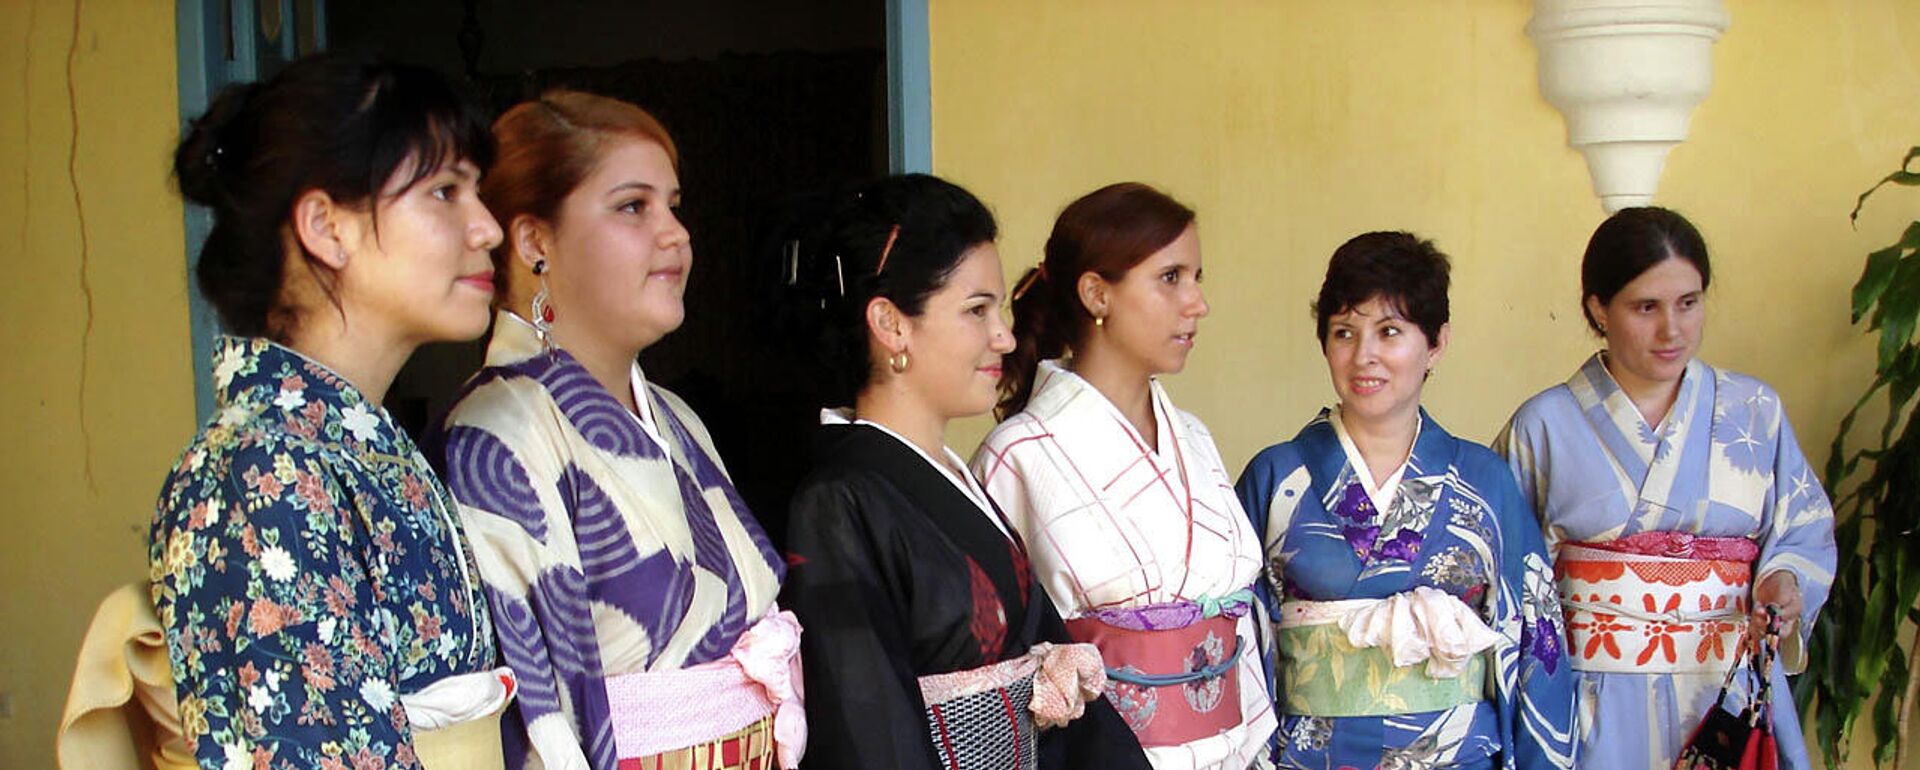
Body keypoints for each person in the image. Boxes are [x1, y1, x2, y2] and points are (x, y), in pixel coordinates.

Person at [149, 53, 513, 769]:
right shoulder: (258, 474)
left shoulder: (356, 449)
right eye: (444, 192)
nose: (488, 228)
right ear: (326, 227)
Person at [435, 90, 798, 770]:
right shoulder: (498, 435)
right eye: (634, 206)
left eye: (674, 205)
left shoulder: (673, 414)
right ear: (534, 240)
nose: (676, 233)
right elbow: (536, 711)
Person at [779, 174, 1151, 770]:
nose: (1004, 334)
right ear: (891, 324)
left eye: (998, 308)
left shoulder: (947, 477)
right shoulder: (838, 500)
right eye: (977, 309)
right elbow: (870, 733)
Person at [1497, 207, 1837, 770]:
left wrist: (1782, 581)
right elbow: (1507, 572)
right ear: (1597, 309)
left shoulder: (1754, 412)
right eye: (1645, 307)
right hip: (1590, 701)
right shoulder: (1543, 425)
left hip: (1725, 694)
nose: (1672, 330)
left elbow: (1802, 528)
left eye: (1689, 302)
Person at [1236, 232, 1575, 770]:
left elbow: (1536, 635)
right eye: (1344, 332)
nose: (1364, 356)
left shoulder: (1484, 481)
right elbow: (1240, 644)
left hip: (1458, 755)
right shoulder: (1277, 476)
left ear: (1436, 342)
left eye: (1389, 331)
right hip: (1311, 757)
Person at [972, 183, 1276, 769]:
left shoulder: (1193, 437)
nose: (1197, 303)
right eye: (1171, 278)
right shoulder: (1018, 456)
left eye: (1197, 277)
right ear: (1096, 293)